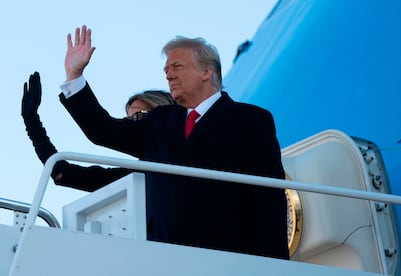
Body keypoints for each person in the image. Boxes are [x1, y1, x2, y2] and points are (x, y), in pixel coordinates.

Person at [59, 25, 288, 259]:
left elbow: (268, 200)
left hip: (229, 259)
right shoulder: (159, 121)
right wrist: (74, 77)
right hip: (165, 260)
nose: (168, 74)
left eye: (177, 66)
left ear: (206, 72)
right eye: (166, 69)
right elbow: (103, 132)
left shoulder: (251, 120)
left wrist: (278, 267)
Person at [22, 71, 175, 192]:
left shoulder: (188, 147)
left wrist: (74, 76)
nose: (133, 124)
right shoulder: (137, 177)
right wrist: (31, 120)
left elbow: (102, 129)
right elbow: (62, 173)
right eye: (128, 119)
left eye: (140, 115)